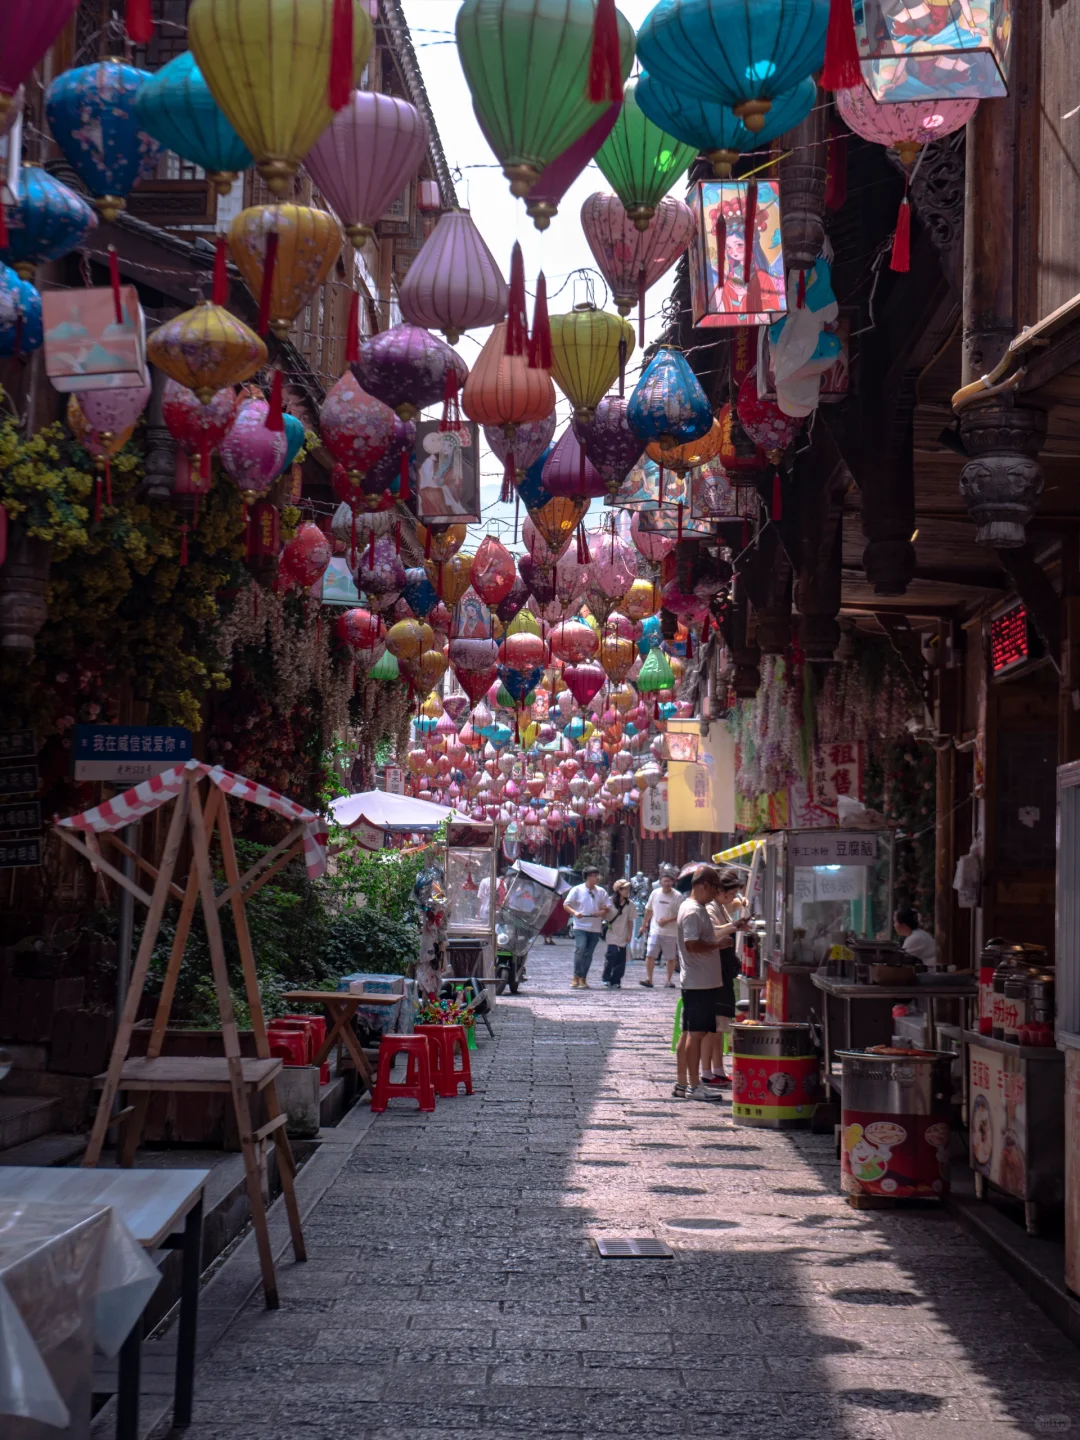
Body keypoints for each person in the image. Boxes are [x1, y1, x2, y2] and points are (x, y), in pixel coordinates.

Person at [673, 866, 742, 1100]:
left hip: (700, 980)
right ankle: (694, 1085)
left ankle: (682, 1083)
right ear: (704, 885)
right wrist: (717, 945)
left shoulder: (696, 908)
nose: (715, 894)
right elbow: (692, 944)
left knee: (689, 1033)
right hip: (699, 981)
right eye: (714, 889)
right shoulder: (693, 910)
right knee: (696, 1034)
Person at [702, 870, 747, 1091]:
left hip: (722, 970)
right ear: (719, 891)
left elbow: (735, 906)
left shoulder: (720, 906)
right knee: (713, 1026)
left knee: (720, 1025)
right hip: (714, 970)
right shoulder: (709, 908)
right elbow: (712, 933)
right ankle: (707, 1072)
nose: (732, 898)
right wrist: (733, 927)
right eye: (730, 894)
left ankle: (718, 1069)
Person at [563, 866, 612, 989]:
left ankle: (583, 977)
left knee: (588, 953)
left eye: (597, 875)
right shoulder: (577, 890)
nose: (597, 878)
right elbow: (566, 905)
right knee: (580, 949)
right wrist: (575, 913)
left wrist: (601, 912)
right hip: (580, 926)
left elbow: (607, 907)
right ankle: (576, 976)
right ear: (588, 877)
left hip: (595, 927)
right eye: (595, 876)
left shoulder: (601, 891)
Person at [640, 867, 681, 988]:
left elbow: (681, 914)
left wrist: (667, 920)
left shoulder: (677, 896)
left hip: (671, 932)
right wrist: (644, 924)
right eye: (665, 881)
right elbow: (649, 910)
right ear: (660, 882)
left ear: (672, 882)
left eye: (670, 881)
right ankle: (649, 979)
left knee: (670, 957)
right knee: (650, 954)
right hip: (655, 930)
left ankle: (668, 980)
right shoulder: (655, 893)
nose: (667, 883)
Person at [601, 879, 635, 988]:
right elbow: (604, 916)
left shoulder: (630, 904)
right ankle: (606, 977)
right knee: (612, 954)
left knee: (621, 958)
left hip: (623, 933)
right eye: (624, 889)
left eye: (628, 889)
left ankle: (616, 980)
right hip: (612, 931)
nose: (627, 891)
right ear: (619, 890)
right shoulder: (609, 901)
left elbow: (630, 921)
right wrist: (604, 910)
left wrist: (630, 934)